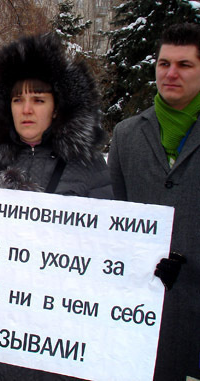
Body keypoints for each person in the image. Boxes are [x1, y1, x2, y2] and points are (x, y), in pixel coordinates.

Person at [0, 33, 113, 380]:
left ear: (57, 106)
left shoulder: (89, 168)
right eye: (17, 99)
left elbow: (110, 253)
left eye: (38, 99)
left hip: (55, 349)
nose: (26, 109)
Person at [108, 22, 200, 381]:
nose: (171, 73)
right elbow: (115, 220)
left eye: (184, 65)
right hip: (139, 317)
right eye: (164, 63)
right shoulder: (126, 134)